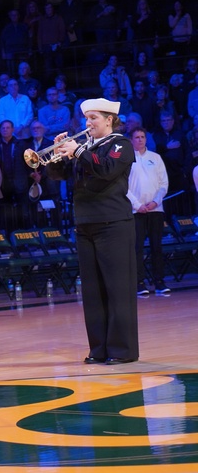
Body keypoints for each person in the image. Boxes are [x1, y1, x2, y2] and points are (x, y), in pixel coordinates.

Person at [48, 99, 138, 365]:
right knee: (93, 291)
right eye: (86, 119)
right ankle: (98, 348)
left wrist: (77, 152)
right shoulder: (86, 148)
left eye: (94, 118)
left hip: (114, 224)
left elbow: (106, 170)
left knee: (117, 289)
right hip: (85, 224)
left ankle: (123, 350)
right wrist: (57, 152)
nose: (88, 124)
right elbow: (57, 175)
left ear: (109, 120)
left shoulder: (121, 144)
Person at [127, 127, 169, 295]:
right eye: (136, 137)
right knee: (137, 248)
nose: (140, 140)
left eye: (142, 137)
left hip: (155, 210)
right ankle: (139, 283)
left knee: (156, 247)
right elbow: (124, 187)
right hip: (137, 211)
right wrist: (138, 205)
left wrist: (154, 202)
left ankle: (159, 282)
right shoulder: (127, 160)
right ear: (131, 140)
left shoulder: (156, 158)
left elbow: (163, 184)